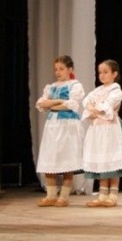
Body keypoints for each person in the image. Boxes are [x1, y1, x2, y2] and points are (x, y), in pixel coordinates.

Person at [81, 60, 122, 207]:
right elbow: (86, 101)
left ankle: (113, 195)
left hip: (110, 129)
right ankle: (102, 195)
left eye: (106, 72)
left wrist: (94, 109)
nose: (102, 75)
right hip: (97, 130)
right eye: (100, 72)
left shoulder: (116, 91)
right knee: (101, 161)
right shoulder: (97, 90)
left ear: (114, 74)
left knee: (112, 161)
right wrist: (93, 109)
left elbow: (107, 107)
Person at [34, 55, 84, 207]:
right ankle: (50, 196)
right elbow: (40, 104)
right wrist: (58, 101)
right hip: (53, 125)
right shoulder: (51, 87)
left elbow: (72, 105)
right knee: (50, 160)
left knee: (67, 161)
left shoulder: (75, 85)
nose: (58, 72)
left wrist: (51, 105)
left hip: (68, 125)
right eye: (56, 69)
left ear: (70, 69)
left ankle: (64, 196)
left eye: (61, 69)